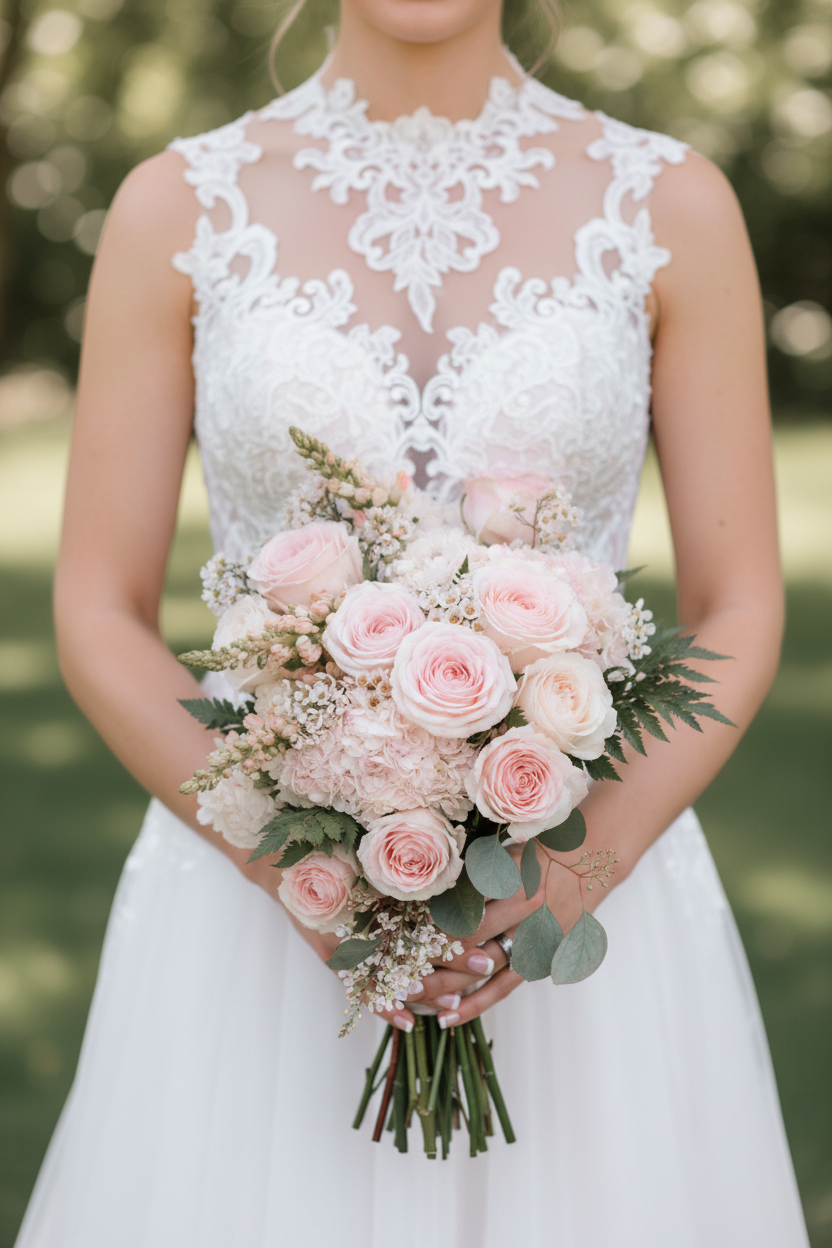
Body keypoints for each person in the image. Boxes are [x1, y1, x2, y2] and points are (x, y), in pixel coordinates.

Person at [14, 0, 811, 1242]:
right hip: (253, 911)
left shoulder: (670, 206)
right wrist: (307, 874)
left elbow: (739, 604)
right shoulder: (178, 208)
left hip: (589, 888)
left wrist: (566, 877)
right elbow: (98, 611)